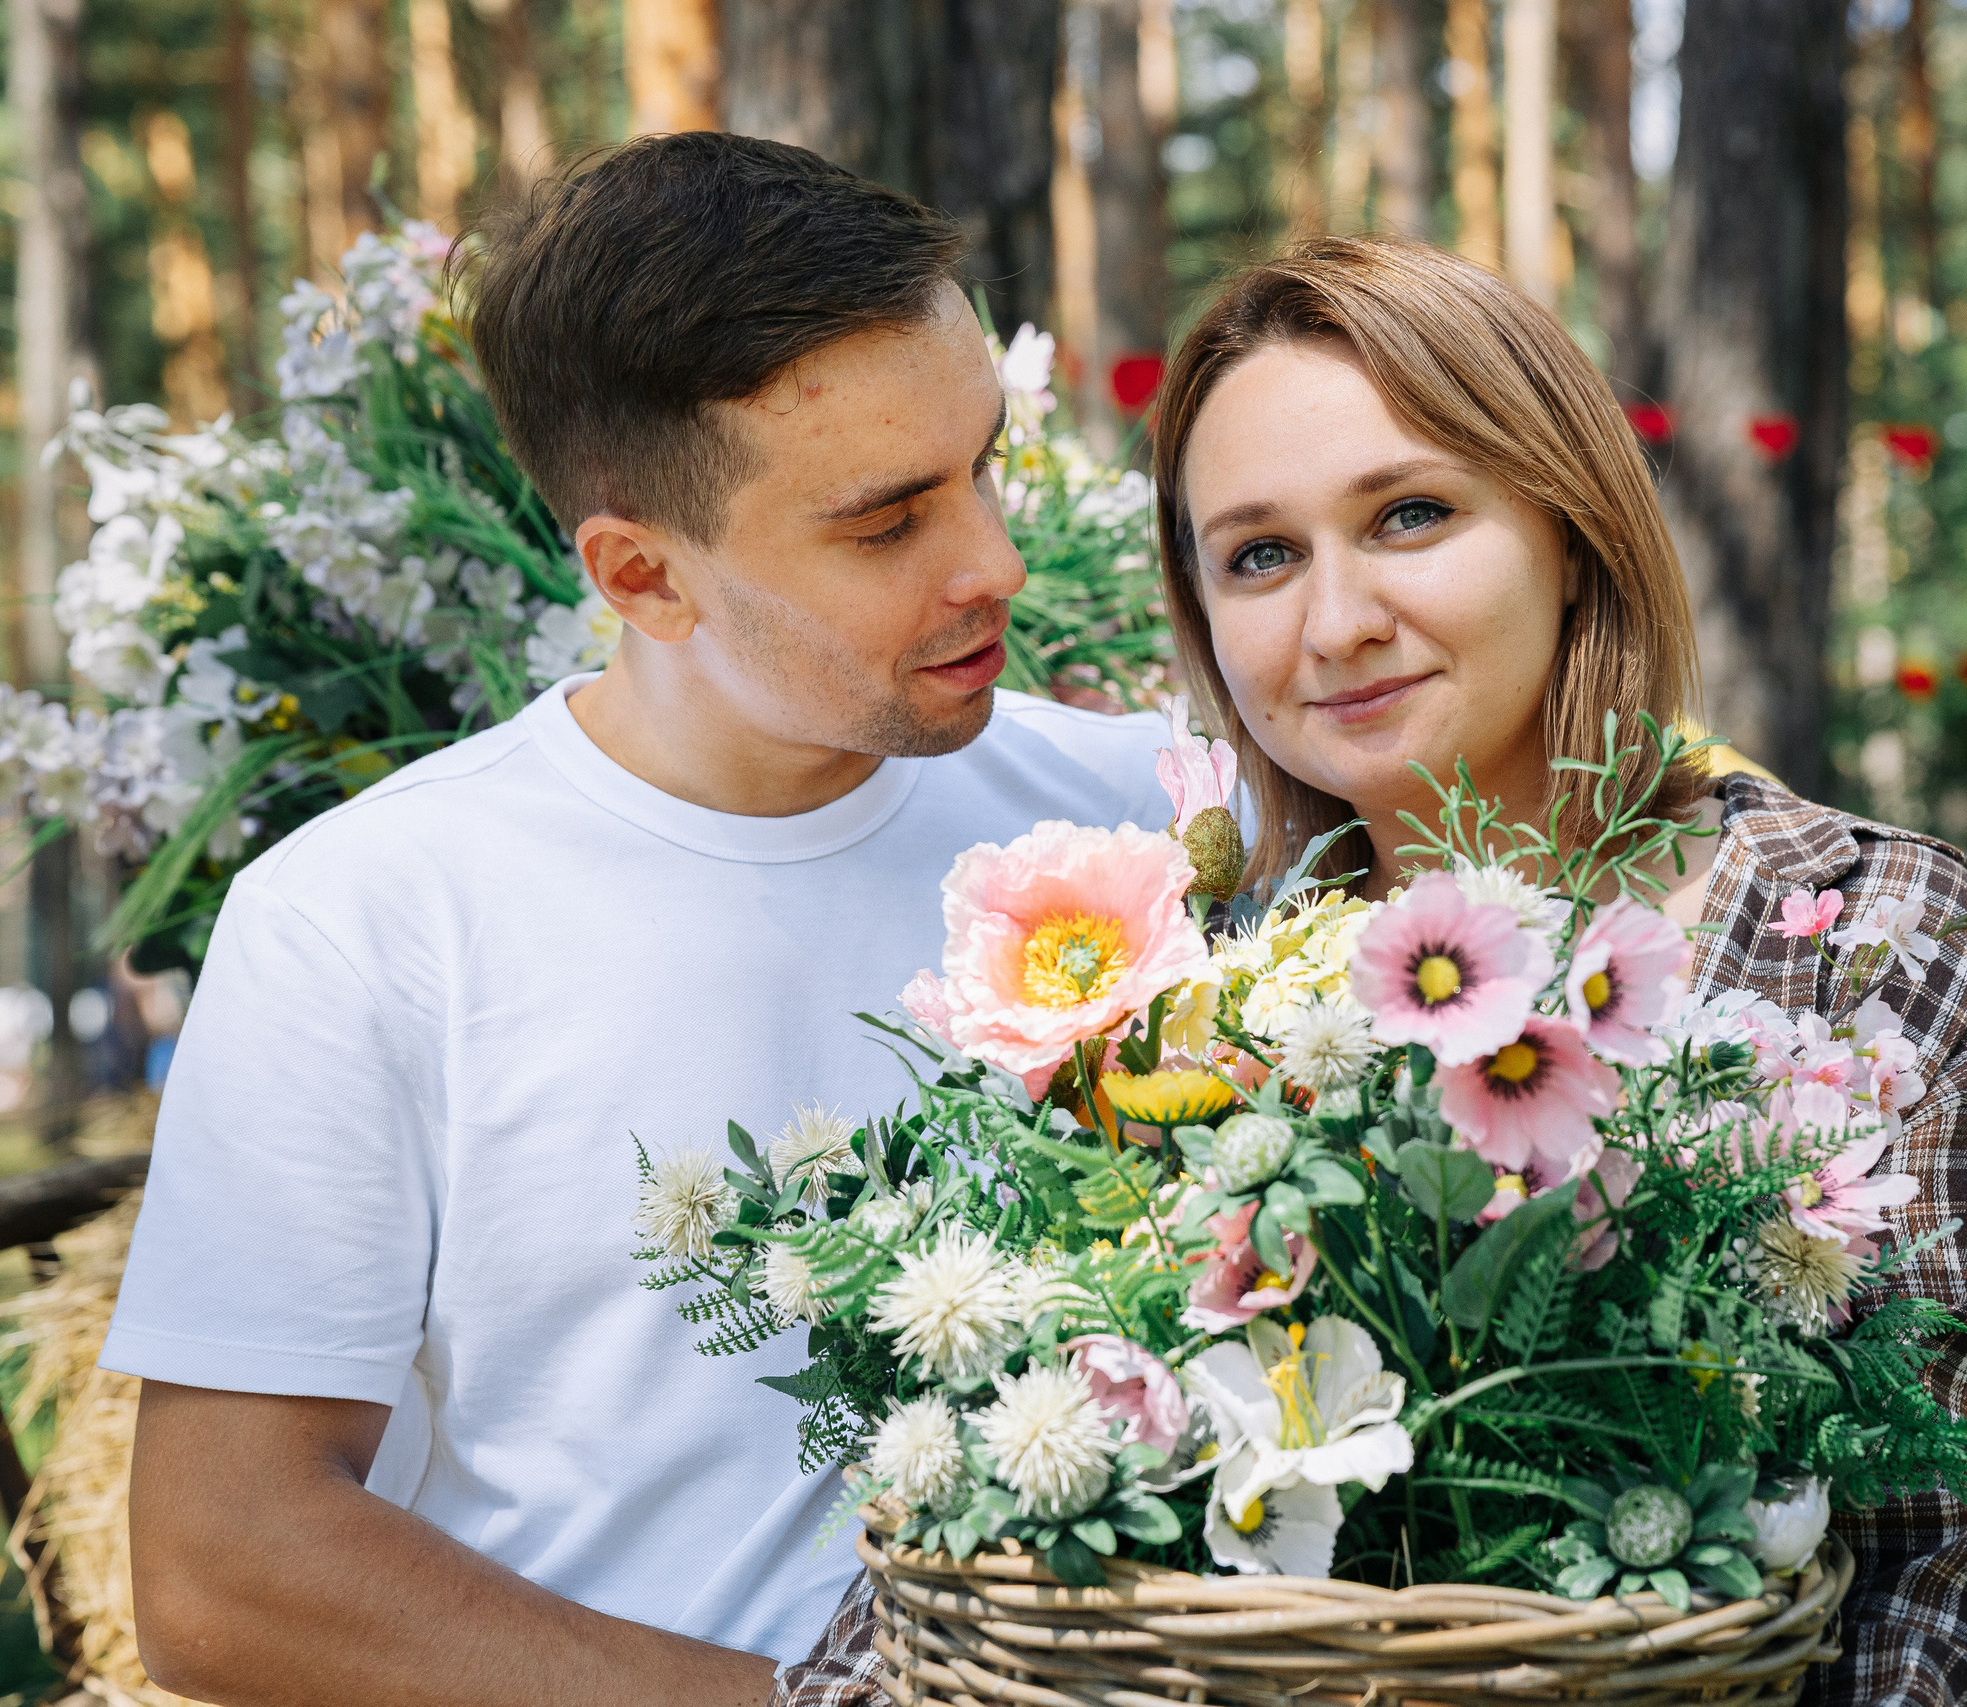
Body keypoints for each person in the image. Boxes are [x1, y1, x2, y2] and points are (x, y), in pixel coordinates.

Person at [102, 133, 1172, 1706]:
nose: (995, 562)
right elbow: (219, 1570)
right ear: (642, 575)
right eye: (888, 523)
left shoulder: (1150, 816)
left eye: (986, 466)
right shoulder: (366, 921)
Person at [1148, 236, 1967, 1706]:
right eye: (1259, 555)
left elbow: (1953, 1581)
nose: (1335, 625)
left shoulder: (1876, 943)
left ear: (1571, 526)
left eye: (1408, 514)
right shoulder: (1193, 998)